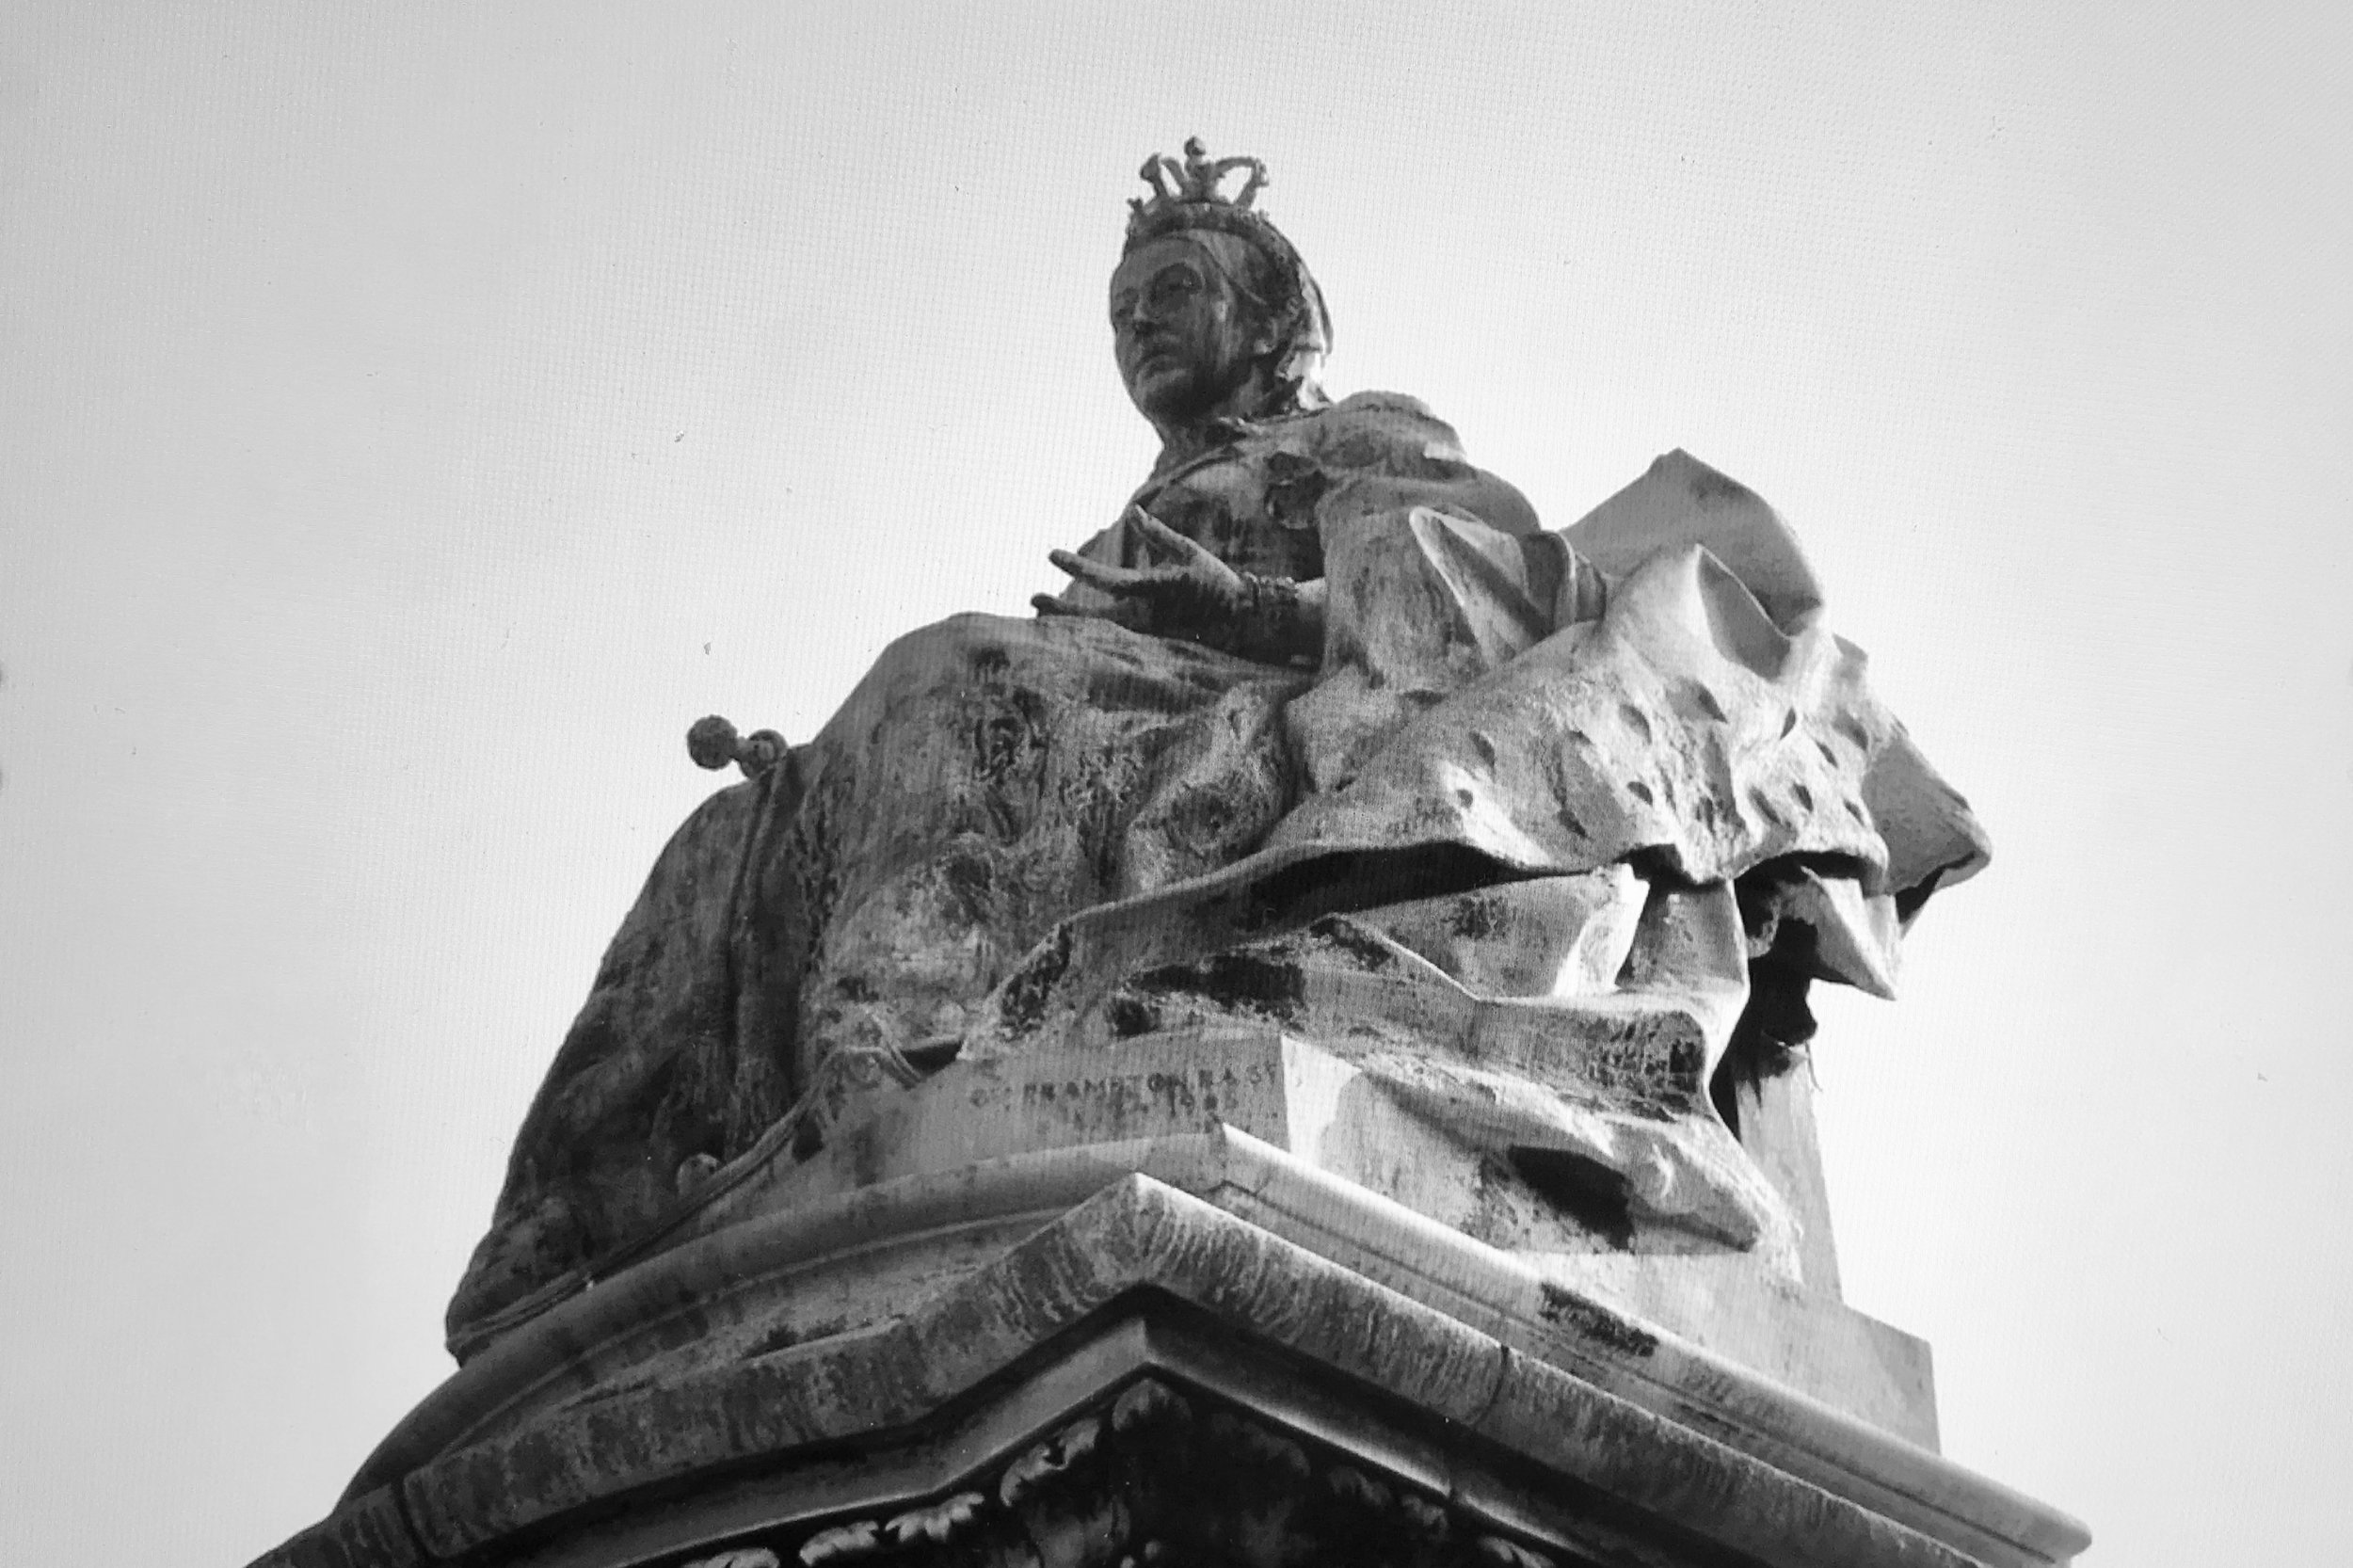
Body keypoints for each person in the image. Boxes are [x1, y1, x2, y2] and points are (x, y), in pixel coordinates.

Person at [446, 142, 1986, 1358]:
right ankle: (591, 1223)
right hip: (1128, 714)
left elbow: (1470, 589)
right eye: (1125, 305)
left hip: (1270, 726)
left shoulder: (1356, 438)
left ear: (1272, 329)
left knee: (956, 669)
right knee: (745, 830)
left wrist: (1241, 601)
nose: (1138, 321)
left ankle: (899, 1056)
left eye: (1174, 289)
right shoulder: (1132, 510)